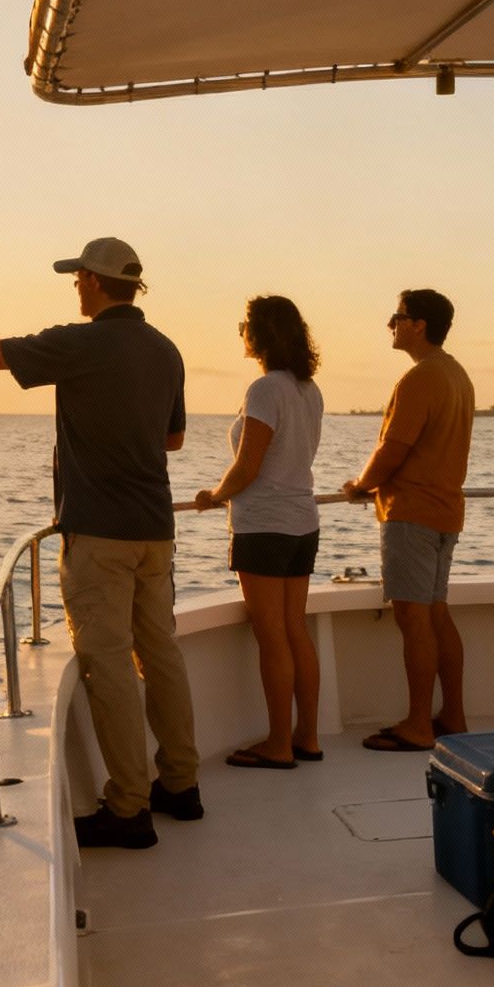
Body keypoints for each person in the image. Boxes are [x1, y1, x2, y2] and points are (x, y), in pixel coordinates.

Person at [0, 236, 198, 850]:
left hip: (100, 532)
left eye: (78, 277)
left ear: (94, 281)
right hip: (155, 531)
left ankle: (130, 808)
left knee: (107, 662)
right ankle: (181, 786)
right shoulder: (166, 350)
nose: (74, 287)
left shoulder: (81, 343)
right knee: (160, 652)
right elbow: (173, 441)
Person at [195, 296, 325, 769]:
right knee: (295, 630)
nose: (241, 332)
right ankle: (307, 736)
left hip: (264, 526)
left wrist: (214, 494)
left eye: (245, 325)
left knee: (272, 635)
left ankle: (278, 744)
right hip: (302, 523)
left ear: (261, 334)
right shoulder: (309, 389)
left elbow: (248, 466)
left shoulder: (264, 390)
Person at [342, 289, 474, 752]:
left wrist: (361, 485)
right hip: (444, 511)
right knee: (436, 613)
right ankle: (452, 716)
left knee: (414, 618)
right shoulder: (457, 375)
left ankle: (419, 724)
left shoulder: (419, 379)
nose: (391, 325)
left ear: (418, 325)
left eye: (397, 317)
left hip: (412, 512)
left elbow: (394, 449)